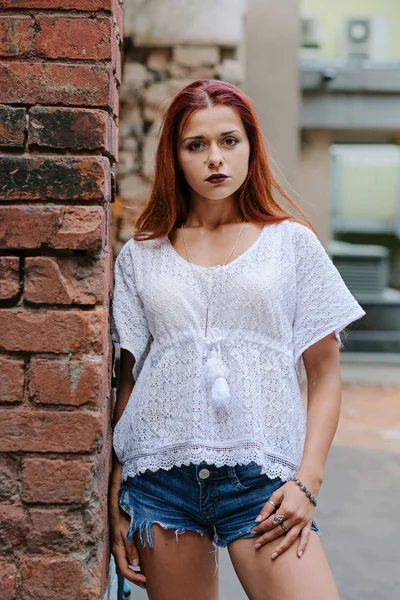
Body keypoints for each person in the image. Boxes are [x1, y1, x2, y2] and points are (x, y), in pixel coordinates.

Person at [109, 79, 365, 600]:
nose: (214, 159)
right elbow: (128, 380)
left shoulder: (290, 243)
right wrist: (118, 491)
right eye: (195, 145)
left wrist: (307, 482)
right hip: (160, 482)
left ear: (251, 146)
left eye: (229, 141)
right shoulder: (141, 255)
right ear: (175, 157)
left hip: (262, 481)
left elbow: (325, 373)